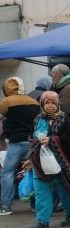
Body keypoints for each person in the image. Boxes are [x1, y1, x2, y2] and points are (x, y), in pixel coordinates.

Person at [28, 92, 70, 228]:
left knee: (64, 190)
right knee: (41, 192)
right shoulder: (37, 119)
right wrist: (30, 158)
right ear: (42, 104)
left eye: (53, 103)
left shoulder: (64, 119)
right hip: (39, 163)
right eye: (47, 103)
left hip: (59, 163)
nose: (50, 106)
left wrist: (52, 140)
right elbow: (32, 139)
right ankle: (42, 221)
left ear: (58, 104)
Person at [0, 77, 41, 215]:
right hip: (32, 142)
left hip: (15, 143)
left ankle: (5, 206)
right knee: (34, 172)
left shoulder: (6, 102)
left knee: (7, 173)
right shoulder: (34, 102)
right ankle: (36, 204)